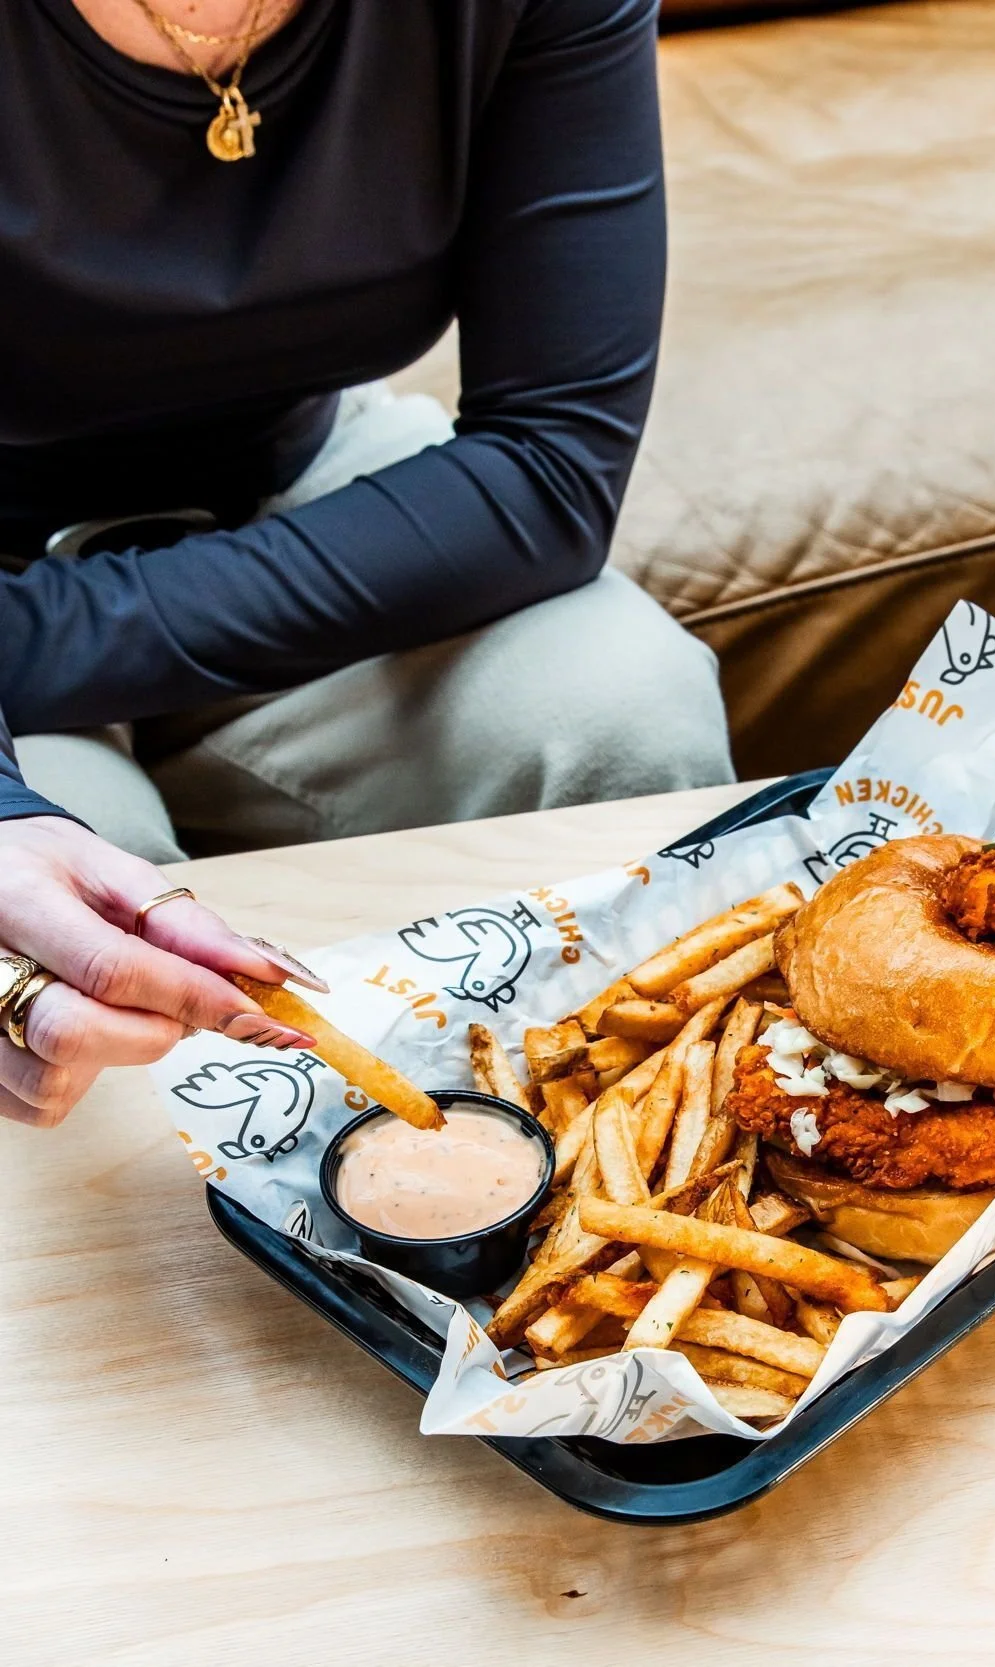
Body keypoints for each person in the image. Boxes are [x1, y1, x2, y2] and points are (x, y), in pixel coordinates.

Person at [0, 0, 735, 1127]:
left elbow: (550, 465)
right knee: (87, 963)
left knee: (622, 710)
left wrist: (32, 637)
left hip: (299, 488)